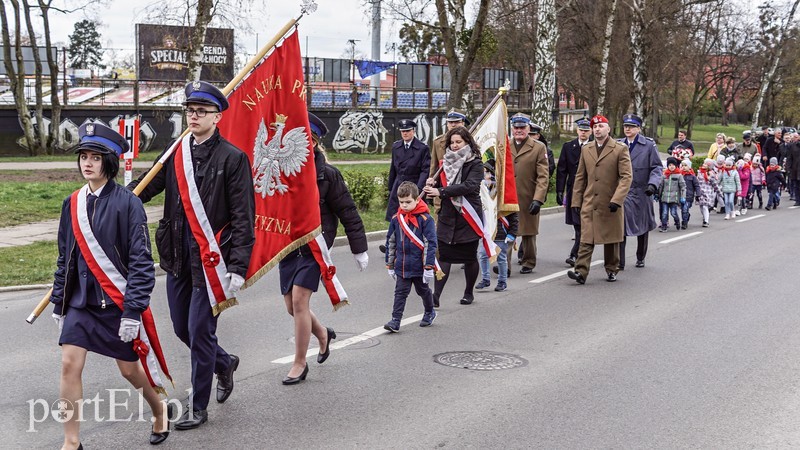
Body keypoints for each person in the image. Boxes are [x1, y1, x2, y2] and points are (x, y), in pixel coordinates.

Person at [129, 81, 254, 429]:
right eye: (190, 110)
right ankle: (224, 362)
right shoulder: (174, 153)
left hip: (212, 260)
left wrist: (239, 266)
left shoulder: (233, 158)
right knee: (183, 328)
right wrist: (114, 201)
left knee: (199, 331)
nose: (194, 116)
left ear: (217, 116)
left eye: (201, 111)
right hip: (176, 255)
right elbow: (145, 187)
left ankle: (198, 406)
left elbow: (244, 216)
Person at [53, 122, 172, 448]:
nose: (87, 163)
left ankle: (159, 409)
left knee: (130, 373)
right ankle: (71, 441)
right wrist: (59, 303)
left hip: (116, 305)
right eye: (83, 156)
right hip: (81, 304)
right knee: (68, 365)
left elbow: (141, 264)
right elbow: (66, 257)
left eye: (95, 157)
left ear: (109, 161)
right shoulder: (72, 203)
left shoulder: (127, 203)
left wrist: (133, 311)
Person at [279, 113, 368, 383]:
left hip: (315, 246)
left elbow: (347, 211)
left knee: (299, 301)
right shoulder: (282, 169)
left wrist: (359, 247)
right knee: (290, 307)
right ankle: (323, 334)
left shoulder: (328, 175)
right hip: (288, 245)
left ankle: (298, 363)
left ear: (316, 143)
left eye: (309, 141)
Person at [567, 115, 632, 284]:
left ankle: (612, 269)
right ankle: (581, 272)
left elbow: (626, 177)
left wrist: (617, 200)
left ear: (608, 129)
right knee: (586, 237)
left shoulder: (619, 149)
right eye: (594, 127)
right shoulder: (586, 149)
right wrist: (576, 201)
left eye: (601, 126)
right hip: (590, 202)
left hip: (610, 202)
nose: (597, 129)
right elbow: (580, 177)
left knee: (610, 239)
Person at [423, 126, 483, 305]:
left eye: (459, 142)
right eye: (452, 142)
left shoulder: (476, 163)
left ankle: (468, 292)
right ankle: (436, 296)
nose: (455, 145)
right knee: (444, 256)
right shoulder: (445, 163)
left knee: (469, 257)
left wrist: (440, 191)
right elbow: (438, 182)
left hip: (468, 215)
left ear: (467, 142)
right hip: (448, 215)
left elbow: (469, 186)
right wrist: (431, 182)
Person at [383, 181, 438, 332]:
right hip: (402, 265)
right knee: (400, 293)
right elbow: (391, 242)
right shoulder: (396, 219)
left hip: (419, 265)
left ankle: (429, 311)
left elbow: (430, 244)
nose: (404, 205)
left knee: (423, 290)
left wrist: (428, 267)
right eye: (401, 202)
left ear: (417, 200)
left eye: (408, 202)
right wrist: (390, 265)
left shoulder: (426, 220)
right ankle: (395, 320)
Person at [618, 114, 662, 269]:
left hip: (643, 191)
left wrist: (653, 185)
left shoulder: (649, 145)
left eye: (631, 126)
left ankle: (640, 256)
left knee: (643, 226)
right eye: (625, 126)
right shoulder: (618, 144)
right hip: (623, 192)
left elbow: (656, 167)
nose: (627, 129)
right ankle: (619, 261)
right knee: (620, 227)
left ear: (638, 128)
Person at [508, 113, 550, 274]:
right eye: (516, 127)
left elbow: (543, 176)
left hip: (528, 195)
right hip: (509, 196)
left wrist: (538, 199)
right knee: (506, 231)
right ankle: (505, 265)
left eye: (522, 127)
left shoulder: (539, 147)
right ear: (512, 128)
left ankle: (529, 261)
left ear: (528, 128)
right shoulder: (504, 145)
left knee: (528, 233)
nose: (519, 130)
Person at [476, 160, 518, 292]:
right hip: (487, 231)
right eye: (483, 173)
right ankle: (485, 279)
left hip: (501, 231)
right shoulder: (482, 193)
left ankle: (502, 281)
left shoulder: (503, 194)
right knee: (482, 254)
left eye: (487, 172)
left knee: (501, 257)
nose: (485, 175)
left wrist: (512, 232)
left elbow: (513, 215)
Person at [556, 117, 592, 266]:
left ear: (590, 131)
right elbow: (562, 170)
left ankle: (575, 253)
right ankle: (577, 252)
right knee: (577, 225)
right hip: (573, 190)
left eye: (586, 130)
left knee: (583, 225)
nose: (583, 133)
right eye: (581, 130)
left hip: (589, 191)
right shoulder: (568, 146)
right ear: (577, 130)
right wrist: (560, 190)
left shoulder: (594, 147)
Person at [386, 119, 431, 222]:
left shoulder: (422, 148)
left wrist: (419, 189)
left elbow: (425, 170)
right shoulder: (396, 146)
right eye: (403, 131)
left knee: (415, 218)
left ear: (413, 131)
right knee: (396, 218)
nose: (405, 133)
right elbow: (393, 168)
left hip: (414, 186)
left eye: (408, 131)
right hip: (399, 185)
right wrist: (390, 187)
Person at [430, 109, 470, 215]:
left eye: (456, 122)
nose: (453, 125)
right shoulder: (438, 142)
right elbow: (434, 169)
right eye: (450, 122)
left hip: (465, 194)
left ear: (463, 123)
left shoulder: (472, 142)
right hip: (443, 194)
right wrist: (431, 188)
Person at [658, 157, 687, 232]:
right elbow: (661, 186)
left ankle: (677, 221)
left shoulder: (679, 176)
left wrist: (683, 197)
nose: (671, 166)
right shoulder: (664, 176)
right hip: (665, 197)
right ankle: (664, 226)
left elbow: (683, 187)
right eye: (670, 165)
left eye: (673, 165)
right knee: (664, 213)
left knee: (673, 213)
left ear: (676, 166)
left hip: (674, 198)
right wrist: (658, 194)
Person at [696, 158, 722, 227]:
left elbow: (715, 185)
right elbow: (696, 183)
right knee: (701, 208)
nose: (704, 165)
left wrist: (719, 193)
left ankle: (706, 221)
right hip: (700, 193)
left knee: (705, 206)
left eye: (706, 164)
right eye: (704, 163)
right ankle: (705, 217)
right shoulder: (699, 173)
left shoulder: (711, 174)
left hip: (707, 193)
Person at [679, 159, 699, 229]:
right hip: (681, 195)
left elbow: (696, 185)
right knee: (683, 209)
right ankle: (686, 217)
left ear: (689, 167)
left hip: (689, 196)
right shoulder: (680, 175)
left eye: (685, 165)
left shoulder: (692, 177)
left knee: (685, 209)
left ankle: (684, 222)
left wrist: (698, 194)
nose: (684, 167)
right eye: (682, 165)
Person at [784, 134, 800, 206]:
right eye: (794, 137)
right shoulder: (792, 146)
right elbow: (789, 157)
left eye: (796, 137)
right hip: (795, 168)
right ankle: (797, 200)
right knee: (796, 184)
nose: (795, 139)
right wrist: (788, 168)